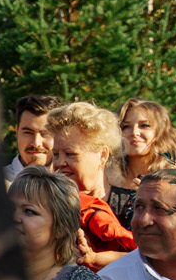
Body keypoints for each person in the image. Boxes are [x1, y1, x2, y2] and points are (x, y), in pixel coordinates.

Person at [45, 101, 136, 269]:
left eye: (70, 154)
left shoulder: (133, 205)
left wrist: (95, 258)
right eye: (56, 154)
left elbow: (148, 259)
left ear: (102, 155)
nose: (60, 163)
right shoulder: (47, 205)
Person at [105, 98, 176, 219]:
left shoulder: (175, 178)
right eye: (126, 126)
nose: (134, 132)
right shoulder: (105, 177)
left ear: (160, 132)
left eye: (144, 125)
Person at [6, 93, 58, 180]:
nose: (36, 143)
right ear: (17, 131)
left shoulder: (73, 186)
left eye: (45, 133)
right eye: (28, 133)